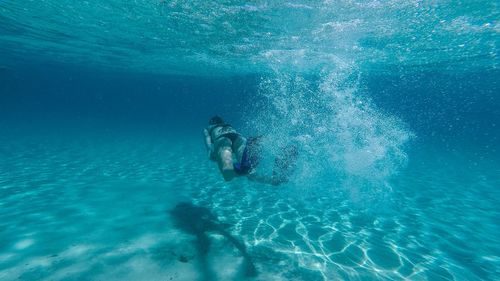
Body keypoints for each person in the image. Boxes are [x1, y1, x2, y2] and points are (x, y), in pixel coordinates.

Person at [204, 116, 298, 185]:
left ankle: (246, 167)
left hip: (222, 139)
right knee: (251, 174)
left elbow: (208, 141)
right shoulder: (227, 125)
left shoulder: (209, 128)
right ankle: (274, 180)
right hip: (239, 138)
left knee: (227, 174)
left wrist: (210, 152)